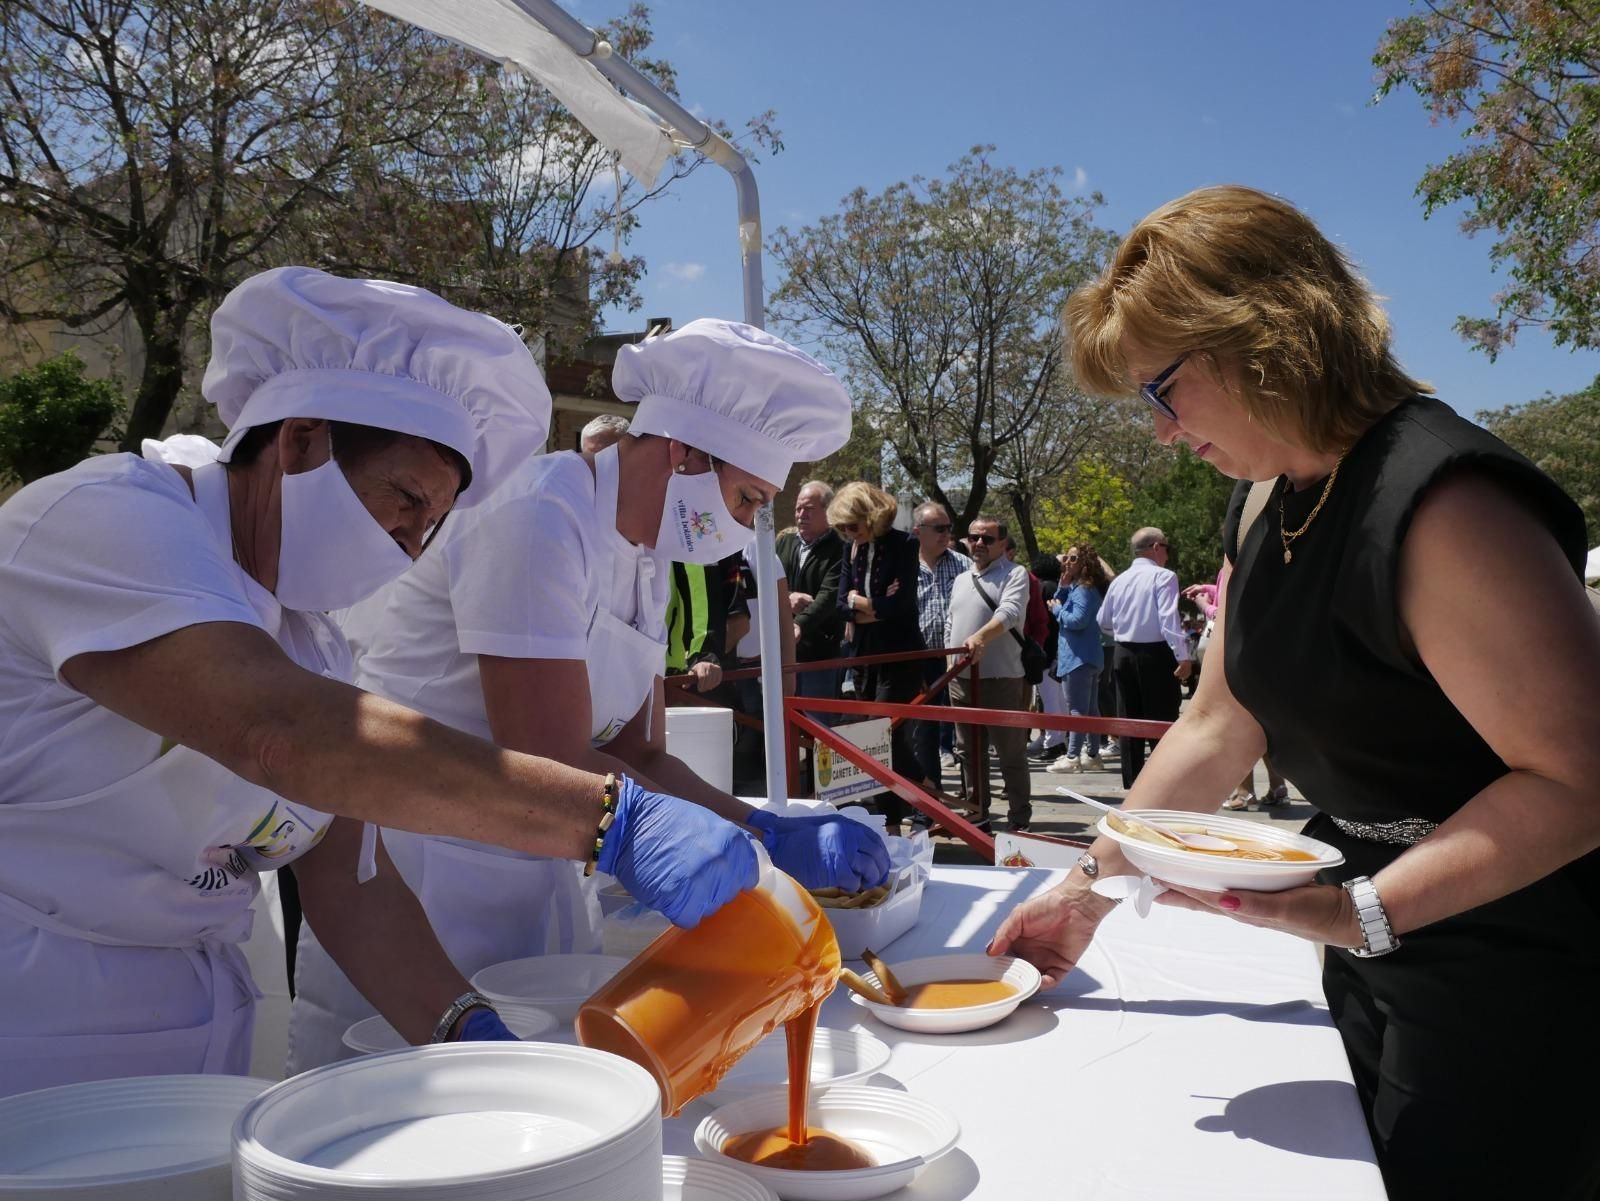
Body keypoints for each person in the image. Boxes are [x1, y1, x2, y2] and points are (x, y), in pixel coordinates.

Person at [0, 268, 760, 1097]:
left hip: (195, 1031)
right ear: (301, 440)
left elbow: (353, 883)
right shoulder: (110, 519)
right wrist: (609, 818)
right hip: (34, 1020)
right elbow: (283, 733)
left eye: (432, 523)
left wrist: (470, 1033)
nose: (411, 542)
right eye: (403, 499)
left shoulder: (312, 639)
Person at [988, 185, 1600, 1201]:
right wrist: (1088, 887)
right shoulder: (1266, 494)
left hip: (1511, 965)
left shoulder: (1446, 503)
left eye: (1159, 390)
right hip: (1368, 936)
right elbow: (1219, 726)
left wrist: (1360, 909)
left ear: (1259, 339)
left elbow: (1579, 779)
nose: (1159, 431)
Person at [288, 318, 889, 1068]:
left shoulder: (645, 555)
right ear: (684, 452)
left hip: (545, 861)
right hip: (422, 884)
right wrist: (724, 836)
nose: (742, 528)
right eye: (745, 498)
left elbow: (639, 751)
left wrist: (760, 826)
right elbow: (547, 753)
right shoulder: (539, 518)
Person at [830, 482, 924, 831]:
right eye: (841, 528)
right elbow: (841, 605)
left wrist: (863, 602)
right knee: (869, 737)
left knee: (886, 735)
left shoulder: (905, 544)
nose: (847, 534)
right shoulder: (851, 549)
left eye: (852, 526)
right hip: (865, 656)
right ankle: (891, 820)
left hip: (899, 654)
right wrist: (864, 605)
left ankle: (924, 793)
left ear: (871, 517)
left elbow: (901, 605)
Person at [945, 515, 1033, 832]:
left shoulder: (1015, 574)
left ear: (1002, 544)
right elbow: (950, 623)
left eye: (988, 538)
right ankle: (977, 813)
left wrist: (980, 637)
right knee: (968, 751)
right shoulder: (960, 579)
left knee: (1010, 752)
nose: (979, 543)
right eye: (974, 537)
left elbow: (1009, 613)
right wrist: (950, 663)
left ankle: (1019, 818)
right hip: (961, 679)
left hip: (1002, 678)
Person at [1097, 527, 1192, 787]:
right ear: (1157, 547)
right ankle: (1165, 781)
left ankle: (1133, 781)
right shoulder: (1163, 576)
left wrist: (1126, 627)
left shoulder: (1120, 580)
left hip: (1123, 651)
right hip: (1155, 653)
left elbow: (1103, 620)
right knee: (1162, 719)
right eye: (1167, 548)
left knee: (1129, 719)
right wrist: (1182, 656)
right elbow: (1168, 618)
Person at [911, 502, 969, 785]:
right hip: (919, 661)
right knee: (924, 733)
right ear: (917, 531)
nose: (946, 534)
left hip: (959, 662)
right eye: (938, 528)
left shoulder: (964, 565)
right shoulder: (904, 566)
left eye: (948, 528)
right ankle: (931, 800)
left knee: (968, 733)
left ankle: (975, 800)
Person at [775, 481, 845, 717]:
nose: (801, 515)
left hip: (819, 654)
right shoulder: (784, 543)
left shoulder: (840, 547)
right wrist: (787, 597)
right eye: (798, 509)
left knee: (819, 728)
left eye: (809, 509)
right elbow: (763, 585)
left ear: (828, 510)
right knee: (783, 726)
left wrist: (799, 625)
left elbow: (829, 596)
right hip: (782, 654)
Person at [1046, 543, 1110, 774]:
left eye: (1072, 558)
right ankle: (1092, 754)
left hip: (1078, 658)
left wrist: (1057, 611)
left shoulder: (1084, 589)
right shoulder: (1079, 588)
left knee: (1077, 710)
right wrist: (1062, 590)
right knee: (1090, 710)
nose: (1067, 562)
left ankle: (1073, 757)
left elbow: (1077, 620)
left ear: (1084, 563)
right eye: (1066, 558)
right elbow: (1063, 605)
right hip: (1087, 656)